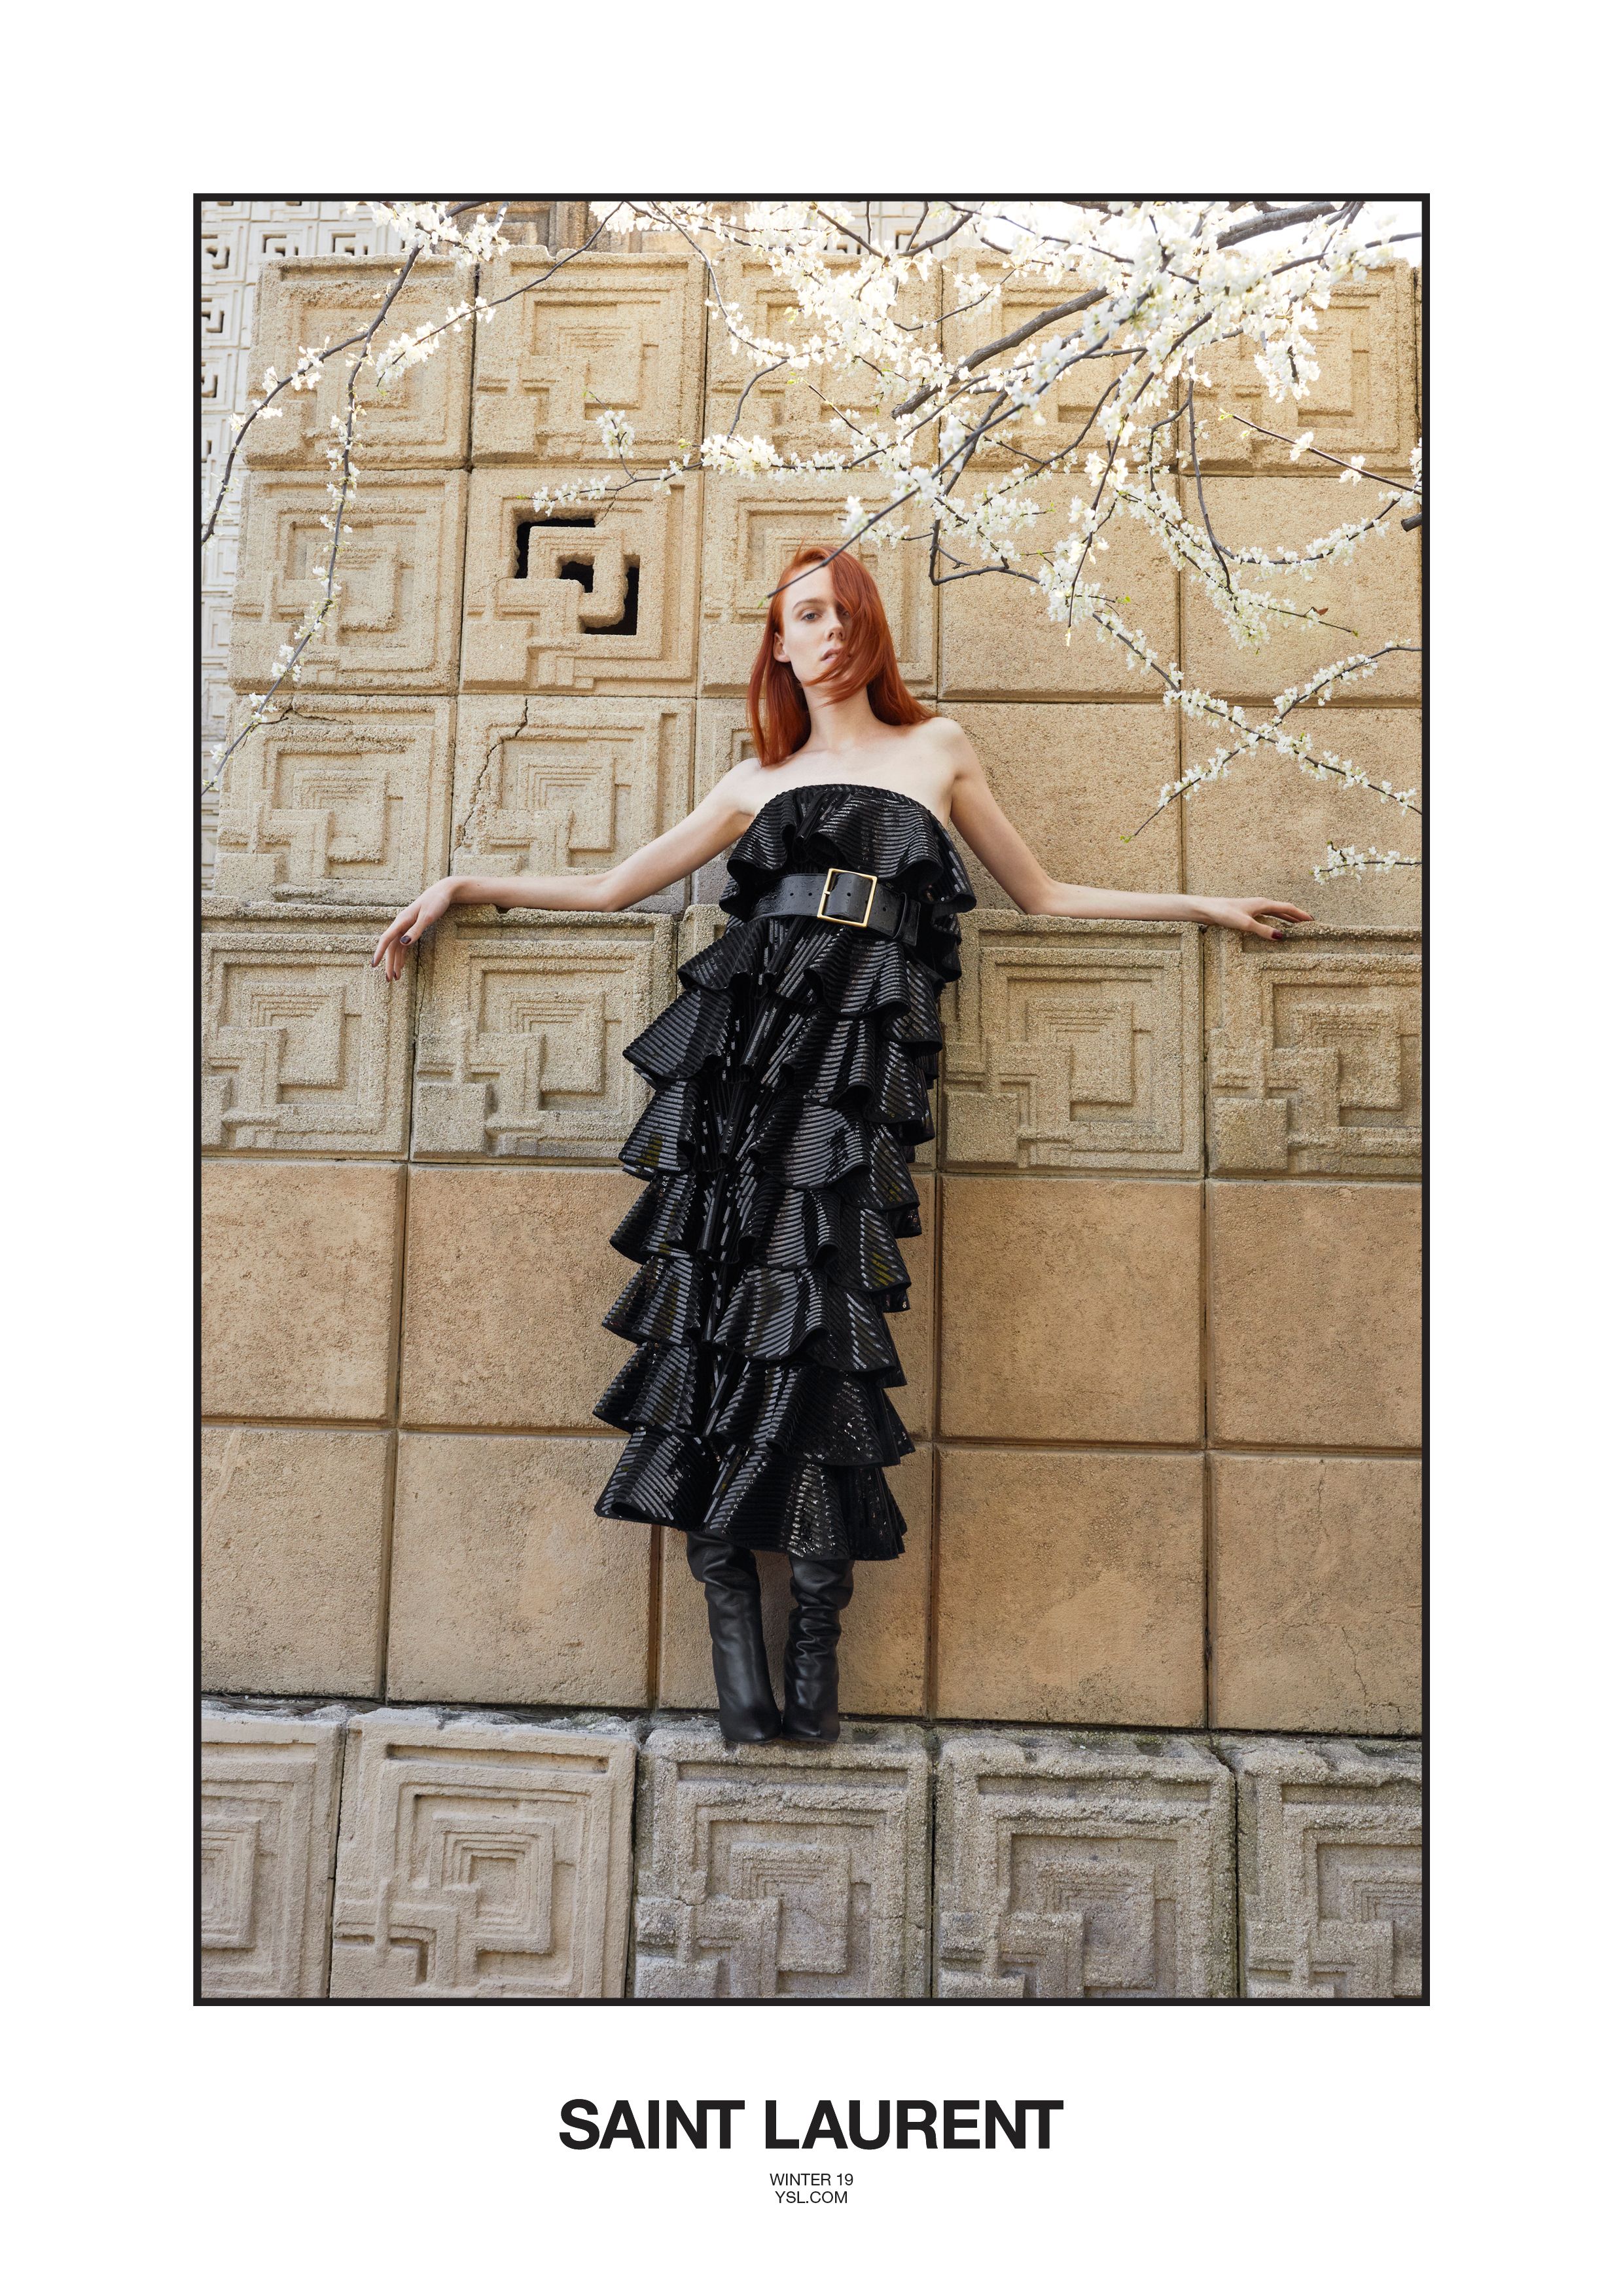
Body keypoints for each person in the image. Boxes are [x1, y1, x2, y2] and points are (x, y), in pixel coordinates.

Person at [373, 546, 1311, 1746]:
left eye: (835, 612)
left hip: (855, 1062)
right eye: (799, 618)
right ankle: (735, 1643)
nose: (820, 633)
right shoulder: (756, 777)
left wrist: (1202, 904)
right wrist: (463, 883)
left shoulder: (939, 750)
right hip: (743, 1054)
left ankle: (814, 1637)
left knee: (818, 1316)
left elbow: (1044, 893)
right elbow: (614, 887)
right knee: (714, 1308)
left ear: (868, 628)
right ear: (777, 645)